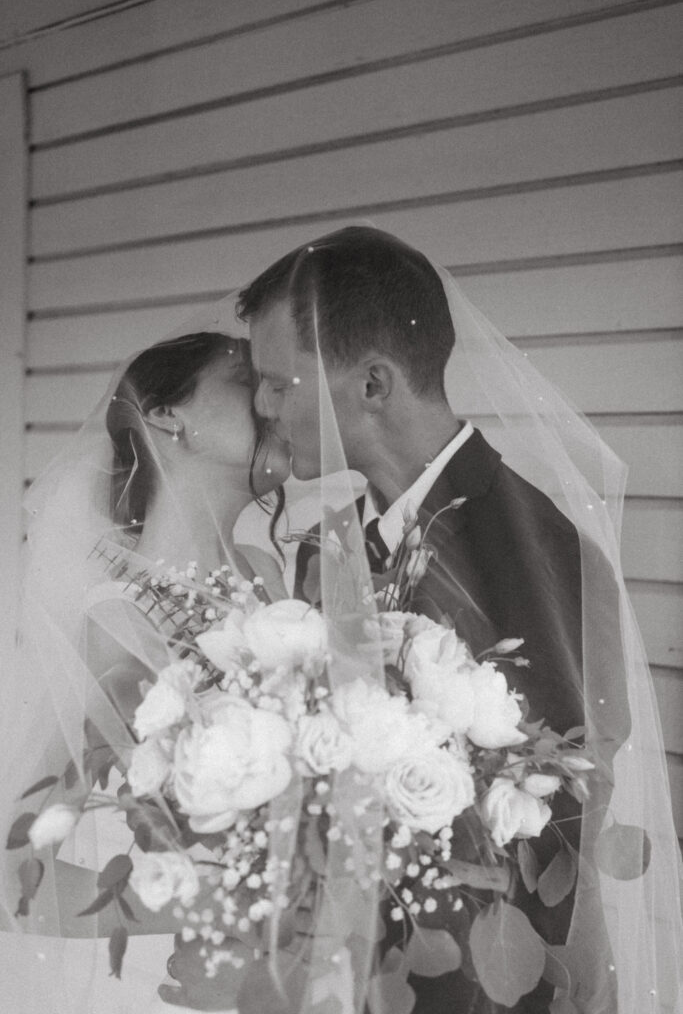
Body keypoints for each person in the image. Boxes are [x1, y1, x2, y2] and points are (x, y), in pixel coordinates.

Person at [238, 226, 682, 1013]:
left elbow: (559, 808)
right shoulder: (324, 545)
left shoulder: (535, 546)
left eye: (279, 382)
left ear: (372, 383)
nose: (262, 406)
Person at [0, 324, 291, 1013]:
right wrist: (188, 903)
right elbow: (13, 876)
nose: (279, 400)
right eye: (250, 381)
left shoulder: (268, 575)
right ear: (168, 418)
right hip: (169, 979)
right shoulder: (113, 620)